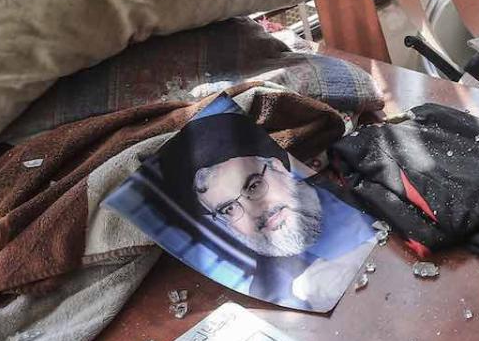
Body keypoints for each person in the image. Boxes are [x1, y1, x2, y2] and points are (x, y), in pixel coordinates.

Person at [144, 96, 375, 311]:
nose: (256, 212)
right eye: (229, 208)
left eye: (253, 186)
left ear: (277, 166)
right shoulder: (270, 295)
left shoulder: (362, 182)